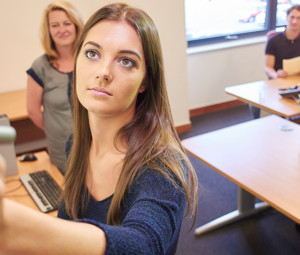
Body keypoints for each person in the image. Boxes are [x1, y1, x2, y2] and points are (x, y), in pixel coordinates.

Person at [0, 3, 198, 255]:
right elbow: (68, 222)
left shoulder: (163, 167)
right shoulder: (77, 144)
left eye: (126, 61)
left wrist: (20, 228)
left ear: (145, 81)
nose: (103, 72)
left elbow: (145, 244)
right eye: (92, 54)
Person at [26, 1, 83, 174]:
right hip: (61, 151)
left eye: (67, 23)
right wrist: (57, 131)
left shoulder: (90, 59)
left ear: (76, 25)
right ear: (49, 30)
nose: (62, 29)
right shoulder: (40, 67)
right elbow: (33, 112)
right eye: (55, 25)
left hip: (95, 146)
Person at [264, 5, 300, 79]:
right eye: (292, 17)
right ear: (287, 18)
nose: (294, 21)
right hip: (279, 80)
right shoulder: (273, 40)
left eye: (298, 18)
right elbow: (268, 67)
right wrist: (276, 75)